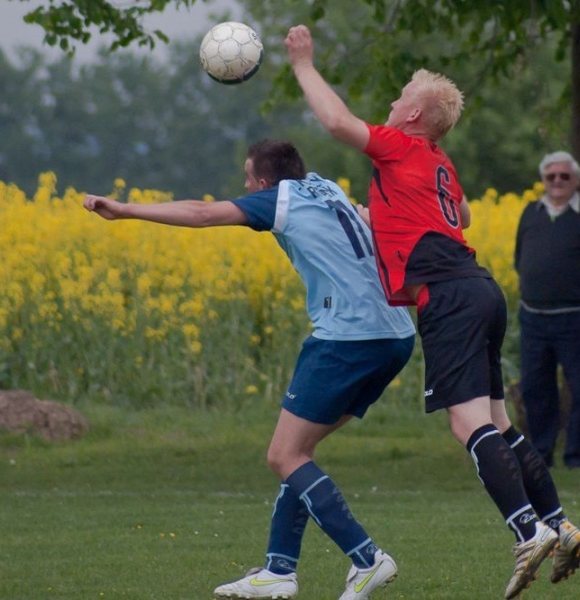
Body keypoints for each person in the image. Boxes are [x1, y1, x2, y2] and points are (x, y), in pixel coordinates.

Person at [285, 24, 580, 599]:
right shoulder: (439, 163)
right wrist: (377, 214)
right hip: (481, 288)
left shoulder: (399, 144)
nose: (393, 102)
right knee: (500, 422)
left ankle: (527, 532)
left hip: (448, 297)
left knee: (465, 423)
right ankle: (558, 523)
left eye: (401, 96)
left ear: (415, 114)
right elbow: (462, 217)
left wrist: (304, 64)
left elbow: (336, 123)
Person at [83, 139, 417, 600]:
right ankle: (279, 570)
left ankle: (366, 558)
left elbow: (202, 214)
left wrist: (125, 210)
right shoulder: (326, 188)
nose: (244, 187)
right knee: (299, 452)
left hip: (349, 336)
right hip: (395, 334)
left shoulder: (277, 198)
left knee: (285, 456)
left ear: (263, 182)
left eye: (247, 178)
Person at [514, 151, 580, 469]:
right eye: (551, 176)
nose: (558, 182)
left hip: (577, 317)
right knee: (535, 387)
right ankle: (541, 453)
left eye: (564, 176)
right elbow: (520, 258)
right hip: (533, 317)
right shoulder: (530, 212)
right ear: (544, 180)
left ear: (575, 179)